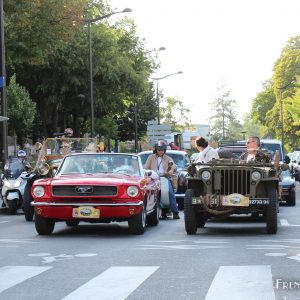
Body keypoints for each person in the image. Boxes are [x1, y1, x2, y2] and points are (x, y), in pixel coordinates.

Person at [144, 140, 180, 220]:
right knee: (152, 193)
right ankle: (151, 211)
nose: (160, 151)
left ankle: (175, 212)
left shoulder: (168, 158)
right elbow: (146, 167)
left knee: (170, 192)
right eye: (159, 150)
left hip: (165, 177)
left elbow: (174, 165)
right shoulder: (150, 157)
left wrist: (171, 170)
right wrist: (148, 172)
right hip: (154, 179)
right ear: (156, 150)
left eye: (162, 150)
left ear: (164, 150)